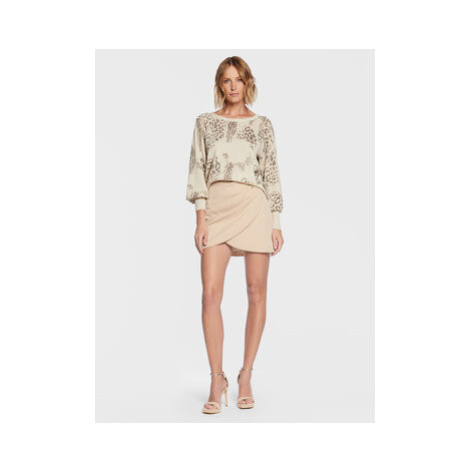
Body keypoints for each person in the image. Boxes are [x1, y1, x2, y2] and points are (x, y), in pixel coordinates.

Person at [185, 56, 285, 414]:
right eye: (226, 80)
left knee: (256, 293)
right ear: (219, 84)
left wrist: (276, 221)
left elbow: (271, 172)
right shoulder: (205, 122)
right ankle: (217, 380)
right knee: (210, 295)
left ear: (247, 83)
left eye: (238, 80)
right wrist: (201, 219)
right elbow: (197, 169)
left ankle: (245, 375)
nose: (233, 86)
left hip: (255, 210)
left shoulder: (262, 125)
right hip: (217, 211)